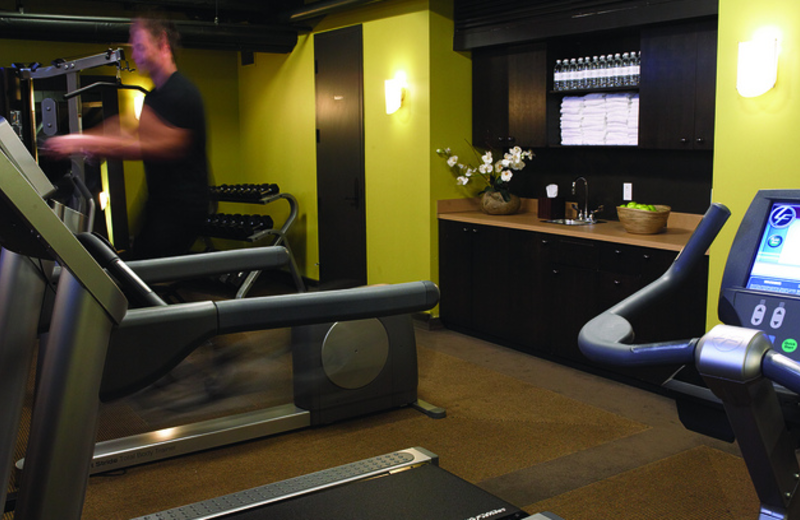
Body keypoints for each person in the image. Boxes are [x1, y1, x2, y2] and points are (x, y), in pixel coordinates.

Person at [46, 16, 210, 259]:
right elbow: (128, 128)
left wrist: (82, 141)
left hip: (181, 209)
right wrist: (89, 140)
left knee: (142, 277)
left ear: (162, 42)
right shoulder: (156, 96)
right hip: (159, 204)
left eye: (140, 46)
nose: (135, 54)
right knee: (137, 269)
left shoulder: (180, 92)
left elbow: (157, 145)